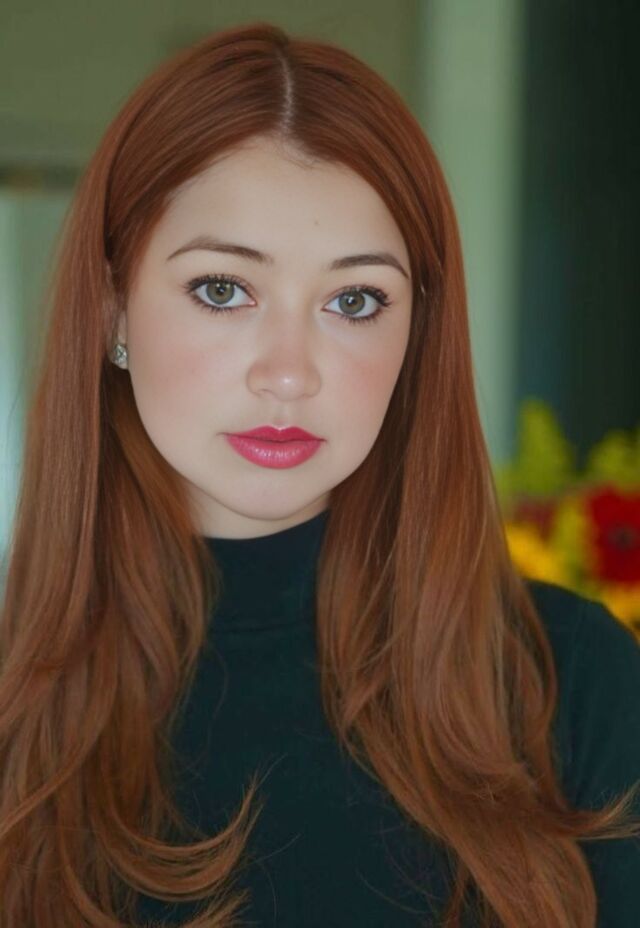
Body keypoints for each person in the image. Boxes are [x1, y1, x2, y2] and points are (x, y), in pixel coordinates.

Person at [0, 21, 638, 928]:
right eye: (223, 289)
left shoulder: (572, 683)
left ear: (416, 334)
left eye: (354, 300)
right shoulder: (15, 706)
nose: (289, 374)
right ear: (113, 309)